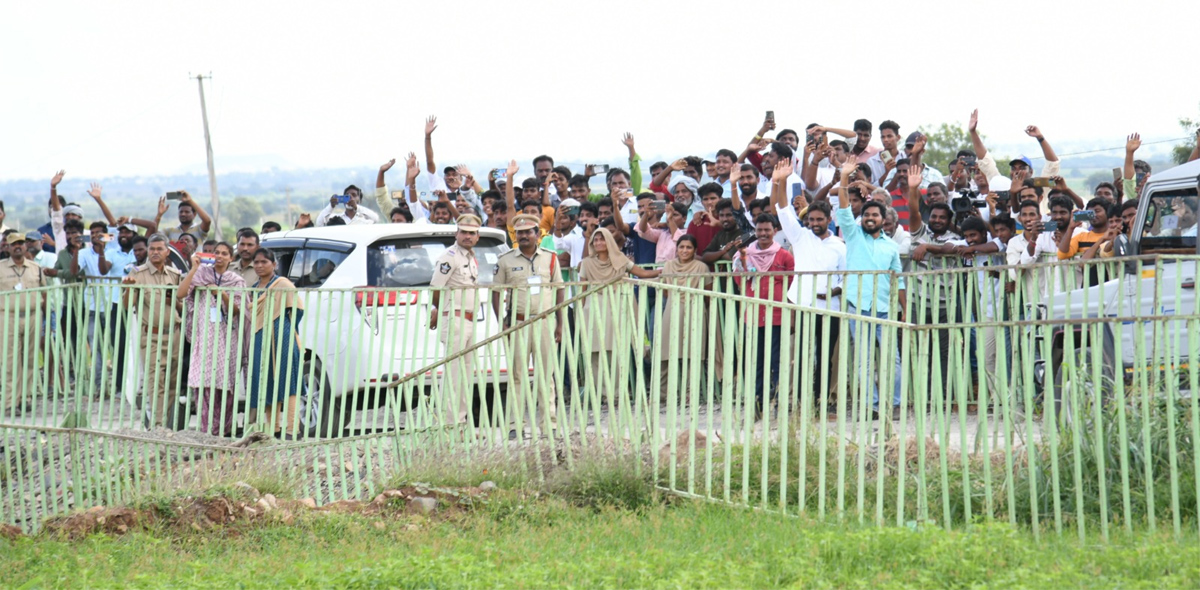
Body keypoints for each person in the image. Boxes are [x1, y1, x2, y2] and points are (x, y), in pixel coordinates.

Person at [770, 161, 846, 406]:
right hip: (804, 306)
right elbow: (782, 210)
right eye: (810, 219)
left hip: (831, 308)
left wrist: (834, 291)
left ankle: (821, 399)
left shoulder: (839, 246)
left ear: (828, 218)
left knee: (826, 356)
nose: (814, 223)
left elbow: (845, 277)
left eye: (819, 219)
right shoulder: (801, 237)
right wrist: (781, 180)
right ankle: (802, 400)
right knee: (804, 354)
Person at [835, 159, 905, 417]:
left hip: (885, 308)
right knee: (863, 361)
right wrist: (844, 176)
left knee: (893, 360)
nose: (870, 218)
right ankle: (871, 406)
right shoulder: (853, 235)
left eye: (874, 215)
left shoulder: (891, 246)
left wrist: (905, 308)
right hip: (858, 306)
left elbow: (899, 279)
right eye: (866, 215)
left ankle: (895, 404)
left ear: (883, 218)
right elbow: (843, 209)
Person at [492, 214, 565, 437]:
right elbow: (496, 293)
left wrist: (560, 323)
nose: (524, 236)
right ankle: (516, 425)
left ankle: (549, 425)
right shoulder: (505, 260)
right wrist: (502, 324)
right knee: (517, 374)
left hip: (544, 321)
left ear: (538, 234)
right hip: (518, 322)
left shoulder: (551, 258)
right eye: (520, 233)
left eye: (528, 232)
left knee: (546, 373)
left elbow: (560, 289)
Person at [577, 225, 661, 406]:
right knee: (594, 352)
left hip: (616, 306)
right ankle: (599, 393)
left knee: (615, 351)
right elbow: (581, 290)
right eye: (595, 240)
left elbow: (642, 273)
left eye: (602, 239)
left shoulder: (620, 259)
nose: (599, 243)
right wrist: (580, 315)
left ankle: (615, 394)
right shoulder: (587, 263)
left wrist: (662, 271)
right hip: (593, 307)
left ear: (609, 241)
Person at [177, 242, 248, 437]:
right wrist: (193, 268)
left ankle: (222, 432)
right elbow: (180, 294)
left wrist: (222, 294)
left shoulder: (236, 280)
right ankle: (206, 431)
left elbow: (238, 311)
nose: (220, 256)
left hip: (227, 340)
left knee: (225, 386)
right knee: (204, 383)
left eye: (224, 253)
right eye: (216, 252)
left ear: (231, 259)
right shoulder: (201, 275)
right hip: (205, 338)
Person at [733, 214, 795, 416]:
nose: (763, 234)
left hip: (778, 315)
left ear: (775, 231)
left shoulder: (784, 256)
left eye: (767, 230)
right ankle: (757, 405)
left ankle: (780, 404)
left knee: (778, 360)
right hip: (752, 315)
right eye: (759, 230)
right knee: (756, 361)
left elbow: (792, 284)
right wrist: (743, 261)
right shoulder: (745, 254)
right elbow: (740, 282)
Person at [121, 233, 184, 429]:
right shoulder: (138, 274)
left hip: (174, 333)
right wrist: (128, 290)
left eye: (159, 249)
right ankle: (157, 426)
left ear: (167, 252)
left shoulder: (174, 275)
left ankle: (164, 423)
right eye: (152, 249)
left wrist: (172, 301)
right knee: (155, 380)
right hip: (151, 335)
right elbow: (127, 305)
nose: (155, 252)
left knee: (172, 382)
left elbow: (182, 306)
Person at [241, 248, 304, 439]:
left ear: (274, 264)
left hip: (282, 334)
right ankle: (274, 428)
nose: (259, 266)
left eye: (264, 262)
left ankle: (292, 428)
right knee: (266, 379)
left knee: (287, 380)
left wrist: (282, 326)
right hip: (260, 335)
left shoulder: (282, 284)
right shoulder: (254, 288)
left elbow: (297, 310)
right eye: (256, 263)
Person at [429, 214, 483, 426]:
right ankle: (448, 424)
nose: (468, 236)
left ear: (477, 236)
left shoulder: (470, 257)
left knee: (465, 374)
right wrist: (438, 309)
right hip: (455, 318)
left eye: (472, 233)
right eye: (464, 232)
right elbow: (436, 288)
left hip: (469, 319)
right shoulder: (450, 256)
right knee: (453, 374)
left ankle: (459, 422)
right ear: (456, 233)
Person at [654, 234, 710, 403]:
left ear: (695, 250)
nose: (684, 250)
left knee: (693, 352)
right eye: (681, 247)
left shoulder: (701, 267)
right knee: (666, 351)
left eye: (689, 247)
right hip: (672, 309)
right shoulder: (669, 265)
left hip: (695, 309)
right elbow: (666, 291)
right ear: (676, 249)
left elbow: (709, 291)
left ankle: (689, 393)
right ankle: (663, 393)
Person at [1, 234, 48, 417]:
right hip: (8, 316)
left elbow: (44, 292)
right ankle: (9, 402)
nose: (18, 247)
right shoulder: (1, 267)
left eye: (21, 243)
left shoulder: (35, 268)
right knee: (9, 360)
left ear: (26, 246)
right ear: (8, 247)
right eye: (14, 244)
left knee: (29, 358)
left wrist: (45, 316)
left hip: (32, 315)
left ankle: (26, 398)